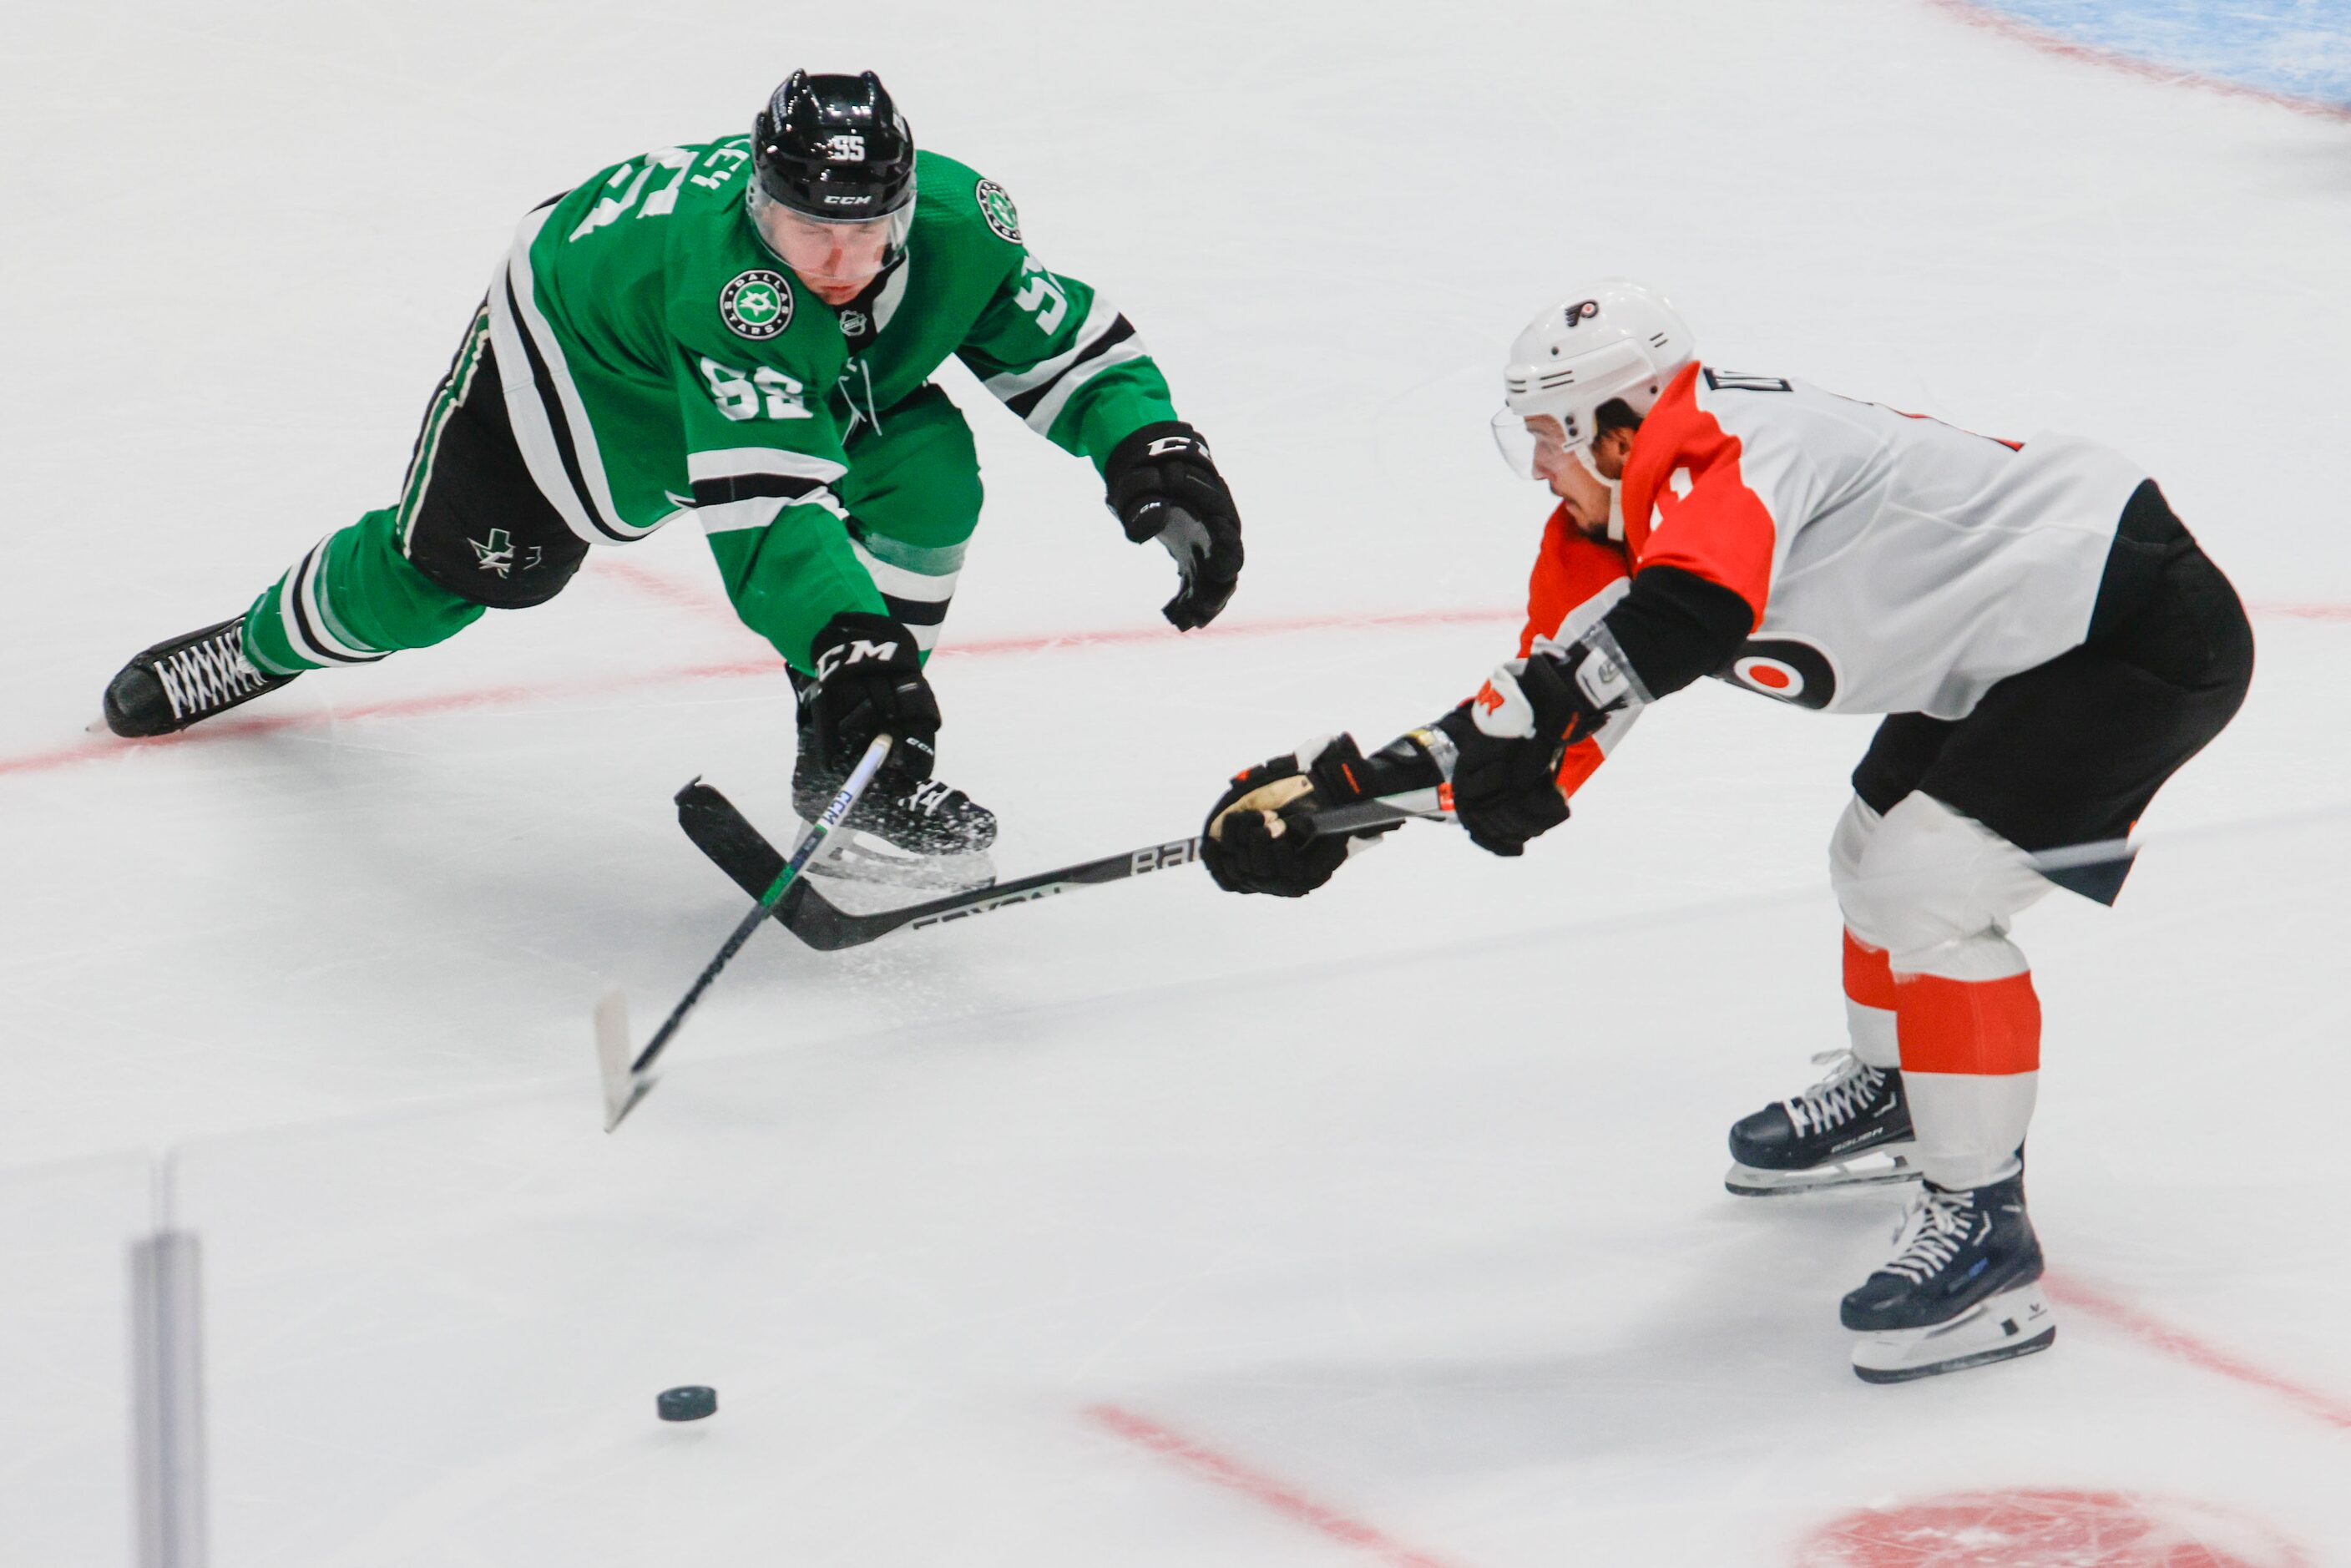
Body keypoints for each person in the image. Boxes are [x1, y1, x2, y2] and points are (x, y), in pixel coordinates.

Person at [1195, 280, 2251, 1383]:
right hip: (1999, 650)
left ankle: (1985, 1227)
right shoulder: (1602, 529)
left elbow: (1688, 614)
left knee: (1922, 890)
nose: (1542, 469)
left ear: (1618, 419)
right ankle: (1903, 1090)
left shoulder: (1730, 448)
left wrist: (1548, 706)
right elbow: (1529, 732)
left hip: (2126, 629)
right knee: (1866, 857)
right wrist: (1337, 808)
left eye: (1548, 438)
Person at [101, 70, 1243, 882]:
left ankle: (855, 761)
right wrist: (853, 640)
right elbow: (767, 516)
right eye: (807, 232)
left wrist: (1154, 448)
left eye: (863, 234)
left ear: (905, 208)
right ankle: (253, 645)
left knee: (929, 469)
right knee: (440, 580)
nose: (838, 265)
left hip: (789, 370)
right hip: (593, 361)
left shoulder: (960, 222)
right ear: (760, 206)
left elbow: (1065, 342)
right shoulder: (730, 288)